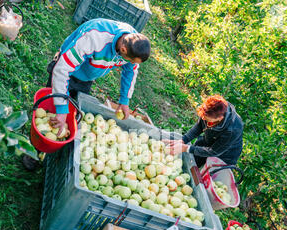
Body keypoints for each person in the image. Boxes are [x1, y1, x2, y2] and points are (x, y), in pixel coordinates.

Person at [23, 18, 151, 170]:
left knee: (72, 116)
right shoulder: (95, 36)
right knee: (52, 110)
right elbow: (62, 70)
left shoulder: (132, 43)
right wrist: (61, 109)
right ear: (123, 50)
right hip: (67, 69)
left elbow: (130, 71)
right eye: (129, 60)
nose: (130, 63)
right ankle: (35, 149)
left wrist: (124, 100)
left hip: (86, 77)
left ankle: (55, 149)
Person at [163, 95, 243, 168]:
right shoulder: (210, 110)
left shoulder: (233, 130)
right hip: (209, 139)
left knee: (205, 173)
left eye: (208, 120)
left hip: (223, 155)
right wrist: (184, 140)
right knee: (193, 162)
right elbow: (199, 126)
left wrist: (186, 148)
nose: (205, 121)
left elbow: (214, 151)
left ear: (220, 118)